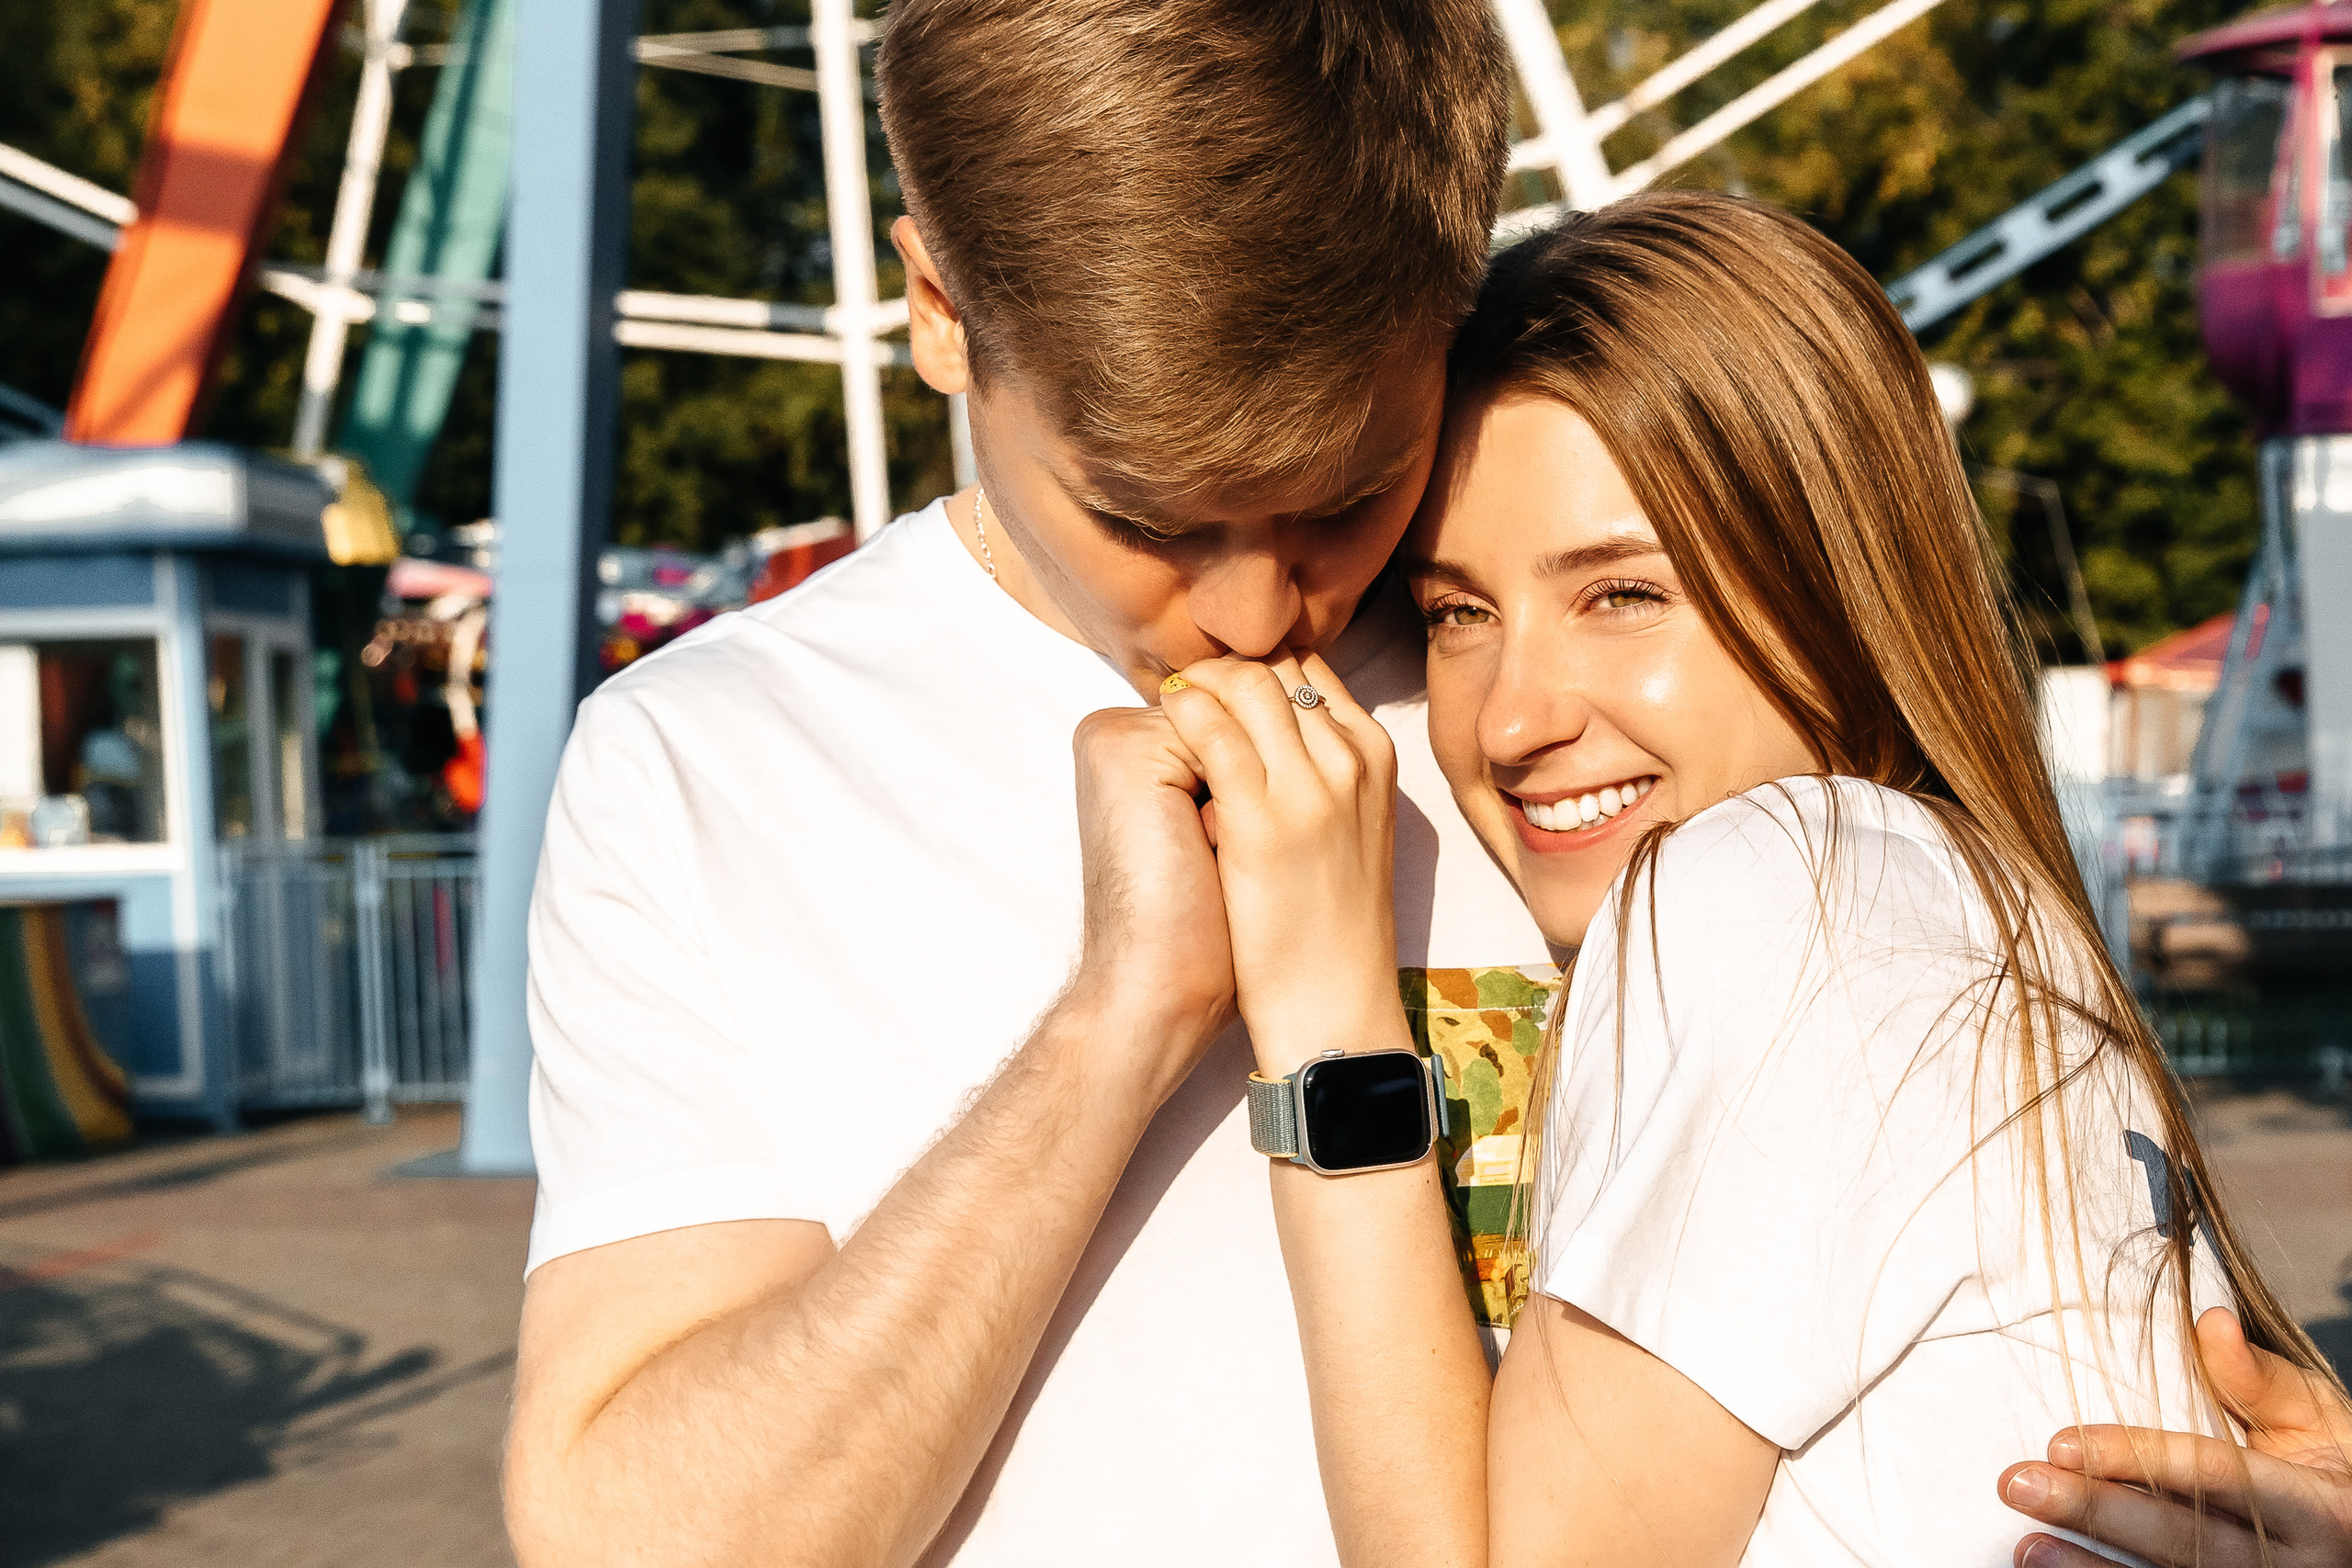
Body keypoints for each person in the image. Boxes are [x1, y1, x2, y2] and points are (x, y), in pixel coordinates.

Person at [1112, 191, 2352, 1566]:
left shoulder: (1788, 889)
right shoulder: (1969, 911)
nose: (1510, 720)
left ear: (1837, 595)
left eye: (1623, 595)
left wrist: (1325, 1015)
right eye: (1459, 612)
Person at [503, 6, 1540, 1567]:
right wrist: (1116, 1024)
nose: (1258, 613)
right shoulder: (702, 763)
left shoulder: (1590, 703)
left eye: (1348, 495)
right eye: (1152, 519)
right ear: (940, 311)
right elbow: (637, 1544)